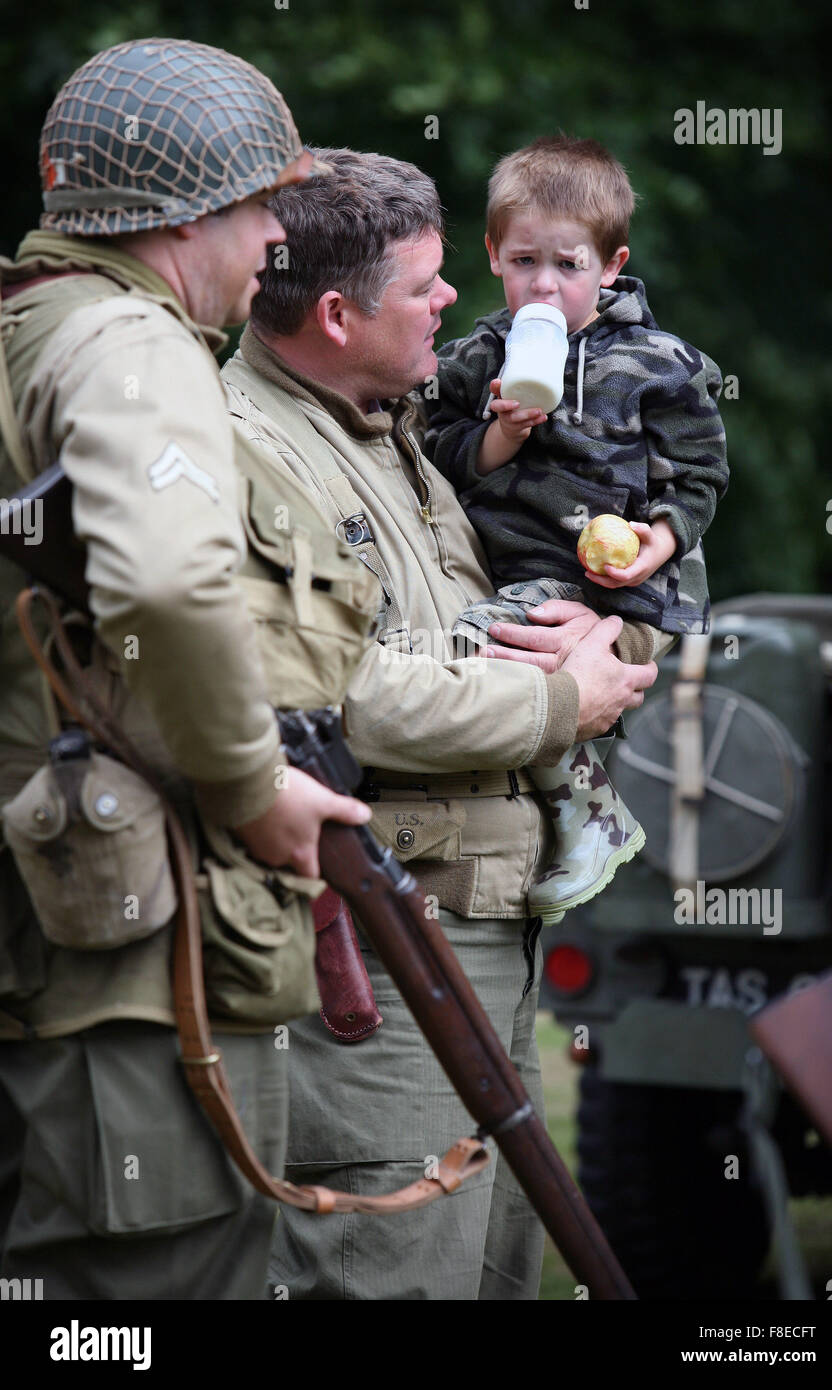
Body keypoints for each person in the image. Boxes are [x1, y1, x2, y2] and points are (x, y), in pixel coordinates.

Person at [220, 147, 657, 1300]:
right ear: (331, 312)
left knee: (499, 1270)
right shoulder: (251, 452)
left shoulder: (404, 417)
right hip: (374, 953)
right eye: (424, 284)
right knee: (390, 1270)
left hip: (479, 943)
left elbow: (548, 575)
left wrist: (612, 636)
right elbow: (342, 697)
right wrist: (563, 700)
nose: (459, 296)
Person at [0, 40, 377, 1300]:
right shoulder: (129, 342)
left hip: (39, 918)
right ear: (188, 216)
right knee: (154, 1292)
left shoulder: (23, 334)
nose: (277, 238)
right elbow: (164, 581)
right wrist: (248, 783)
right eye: (263, 205)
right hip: (116, 952)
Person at [426, 136, 729, 924]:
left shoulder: (659, 364)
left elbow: (699, 476)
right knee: (505, 660)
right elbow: (433, 449)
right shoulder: (476, 358)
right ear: (492, 254)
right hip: (517, 563)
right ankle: (564, 820)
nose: (546, 285)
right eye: (525, 261)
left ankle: (592, 820)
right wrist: (501, 438)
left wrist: (658, 542)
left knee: (483, 648)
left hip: (619, 579)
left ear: (611, 263)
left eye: (569, 266)